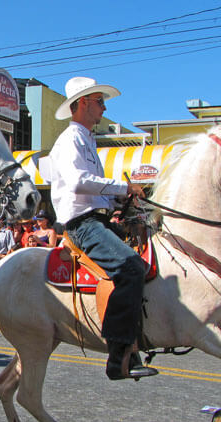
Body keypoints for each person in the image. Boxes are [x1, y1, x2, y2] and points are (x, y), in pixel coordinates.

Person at [48, 76, 158, 381]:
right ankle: (119, 354)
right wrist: (125, 187)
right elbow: (78, 182)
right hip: (82, 224)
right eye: (99, 101)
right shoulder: (70, 140)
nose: (104, 107)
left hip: (98, 219)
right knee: (132, 269)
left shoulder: (86, 140)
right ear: (83, 103)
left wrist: (123, 197)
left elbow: (96, 189)